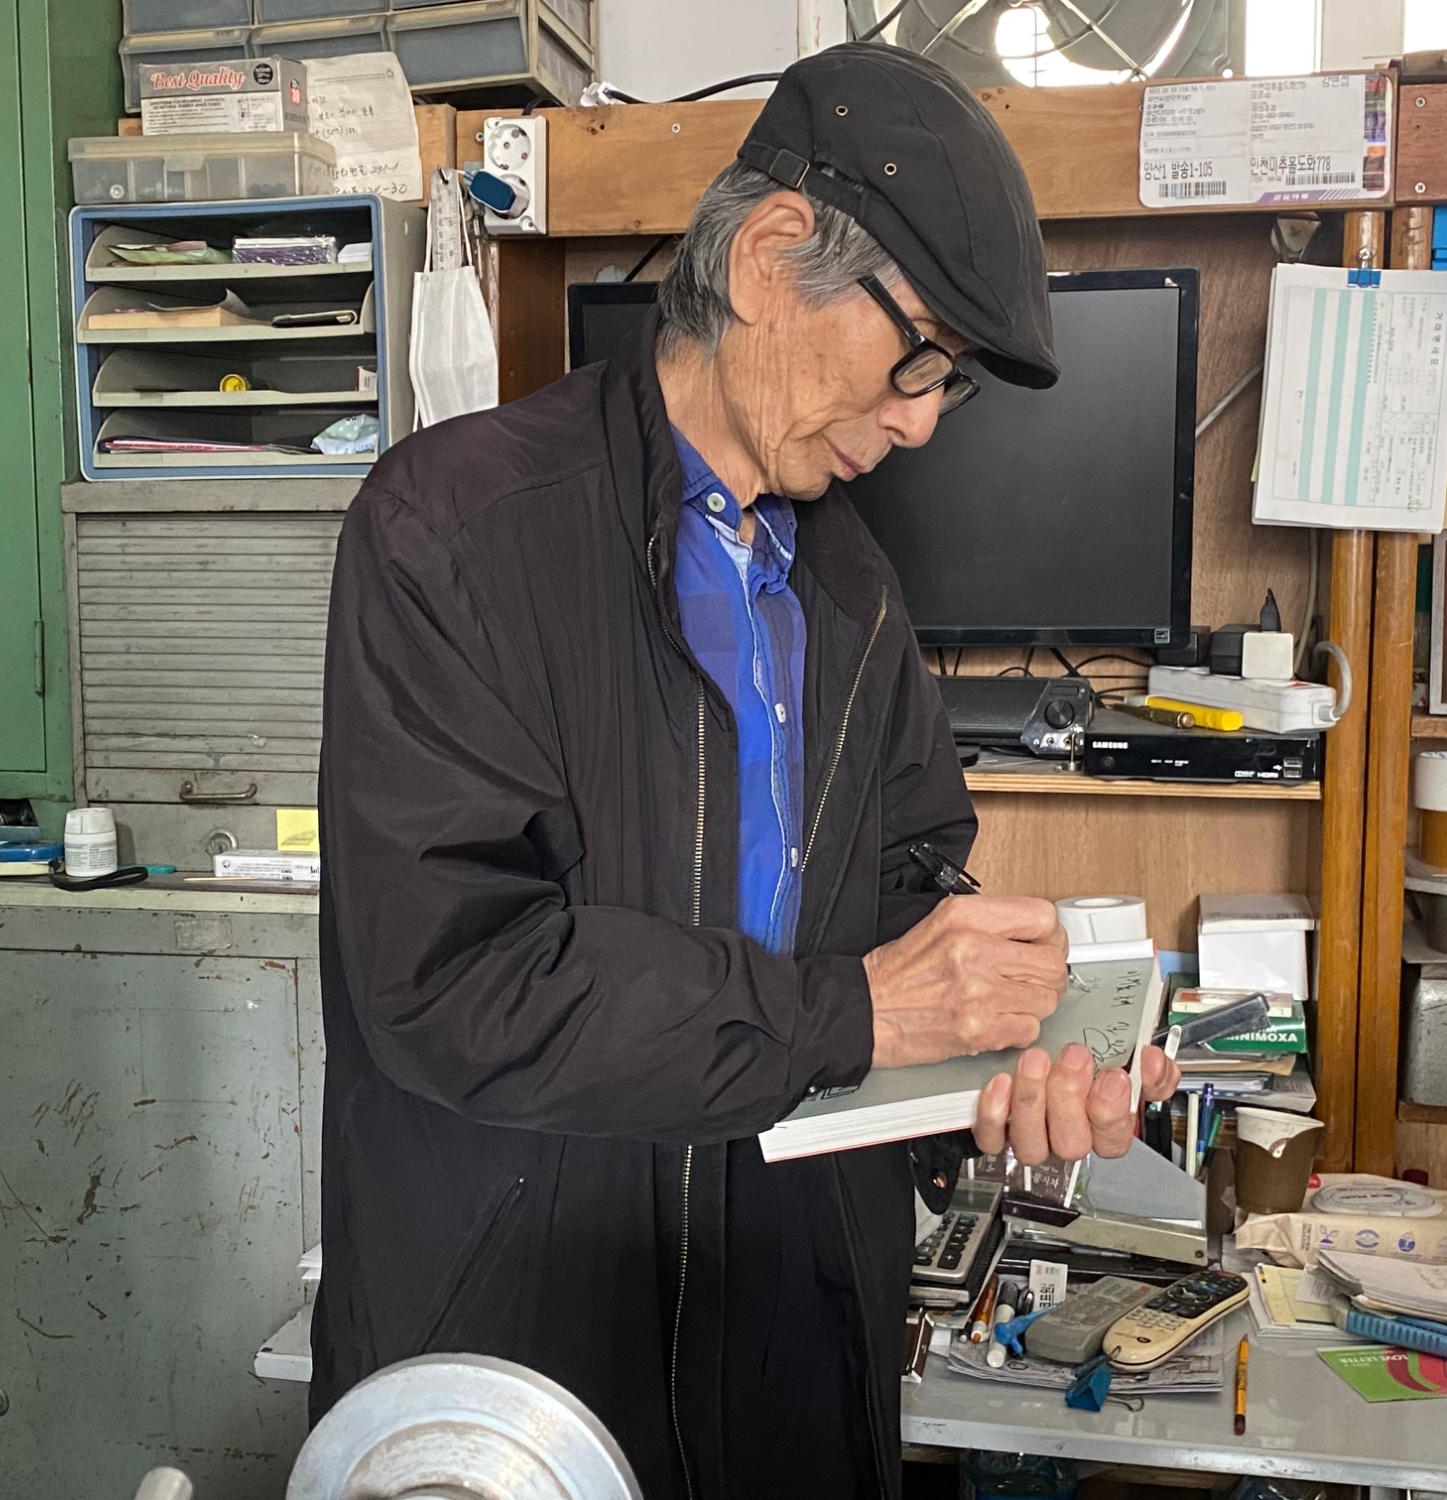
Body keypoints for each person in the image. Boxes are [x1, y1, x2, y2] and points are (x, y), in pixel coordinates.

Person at [310, 42, 1181, 1499]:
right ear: (773, 256)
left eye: (948, 387)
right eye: (919, 356)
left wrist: (1009, 1054)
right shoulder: (453, 531)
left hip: (791, 1337)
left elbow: (901, 903)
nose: (919, 418)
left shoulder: (851, 587)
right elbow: (454, 981)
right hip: (524, 1348)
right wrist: (855, 1011)